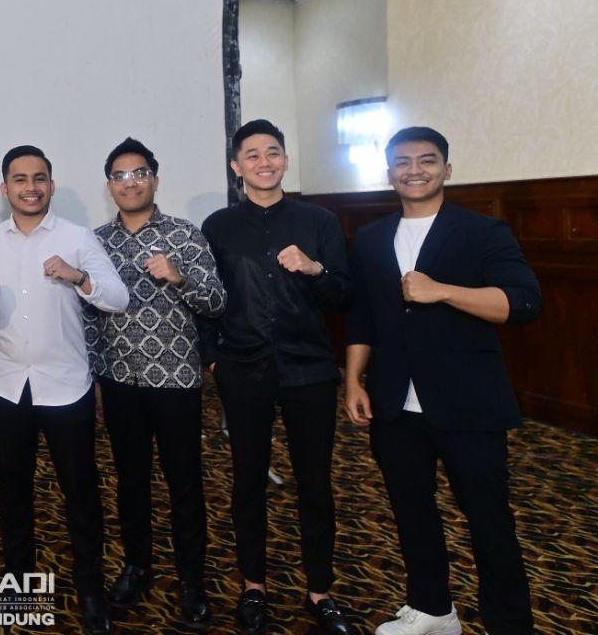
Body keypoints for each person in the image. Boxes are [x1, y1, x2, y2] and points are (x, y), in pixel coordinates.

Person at [344, 127, 540, 635]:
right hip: (394, 404)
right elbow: (363, 316)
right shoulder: (370, 238)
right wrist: (354, 380)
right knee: (411, 512)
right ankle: (433, 610)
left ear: (447, 169)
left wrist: (443, 290)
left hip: (468, 402)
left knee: (489, 520)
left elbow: (522, 302)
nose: (415, 170)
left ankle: (510, 624)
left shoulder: (483, 231)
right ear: (389, 173)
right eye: (403, 162)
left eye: (427, 160)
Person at [0, 145, 128, 635]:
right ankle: (19, 583)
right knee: (13, 493)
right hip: (7, 386)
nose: (30, 187)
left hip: (66, 386)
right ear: (5, 189)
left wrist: (78, 276)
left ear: (51, 186)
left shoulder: (78, 238)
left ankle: (91, 591)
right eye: (20, 179)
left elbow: (118, 298)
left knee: (81, 495)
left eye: (39, 178)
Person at [200, 119, 354, 635]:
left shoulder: (319, 221)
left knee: (315, 483)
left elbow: (344, 294)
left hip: (309, 368)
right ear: (236, 166)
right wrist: (214, 359)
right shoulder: (218, 226)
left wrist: (314, 270)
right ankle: (254, 586)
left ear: (285, 160)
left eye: (272, 153)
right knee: (248, 481)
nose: (263, 162)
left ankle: (321, 591)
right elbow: (207, 299)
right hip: (243, 370)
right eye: (252, 155)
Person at [84, 137, 226, 630]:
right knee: (130, 480)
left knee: (184, 482)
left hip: (175, 379)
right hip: (118, 378)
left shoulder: (184, 234)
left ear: (155, 180)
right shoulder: (96, 242)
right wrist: (94, 377)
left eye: (139, 173)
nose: (130, 182)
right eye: (120, 176)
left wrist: (179, 276)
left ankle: (191, 580)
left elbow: (217, 302)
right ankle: (137, 566)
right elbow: (88, 316)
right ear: (110, 186)